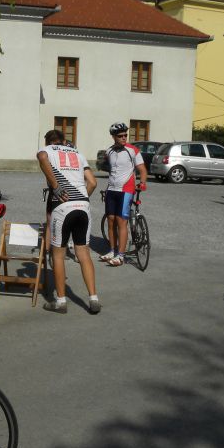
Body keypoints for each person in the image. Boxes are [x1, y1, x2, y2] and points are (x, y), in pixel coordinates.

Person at [37, 130, 100, 314]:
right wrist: (80, 198)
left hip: (63, 206)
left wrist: (56, 187)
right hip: (83, 206)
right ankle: (93, 298)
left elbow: (41, 156)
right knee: (83, 253)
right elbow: (93, 182)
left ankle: (61, 301)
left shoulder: (47, 150)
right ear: (64, 141)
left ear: (48, 142)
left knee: (58, 254)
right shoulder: (77, 153)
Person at [101, 122, 148, 266]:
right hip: (111, 189)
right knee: (110, 220)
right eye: (120, 136)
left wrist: (143, 182)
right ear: (113, 137)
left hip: (126, 190)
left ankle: (120, 255)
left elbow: (142, 169)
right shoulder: (109, 151)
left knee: (121, 221)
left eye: (125, 135)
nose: (123, 138)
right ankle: (112, 250)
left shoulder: (133, 150)